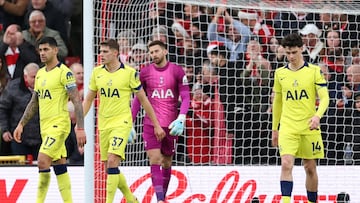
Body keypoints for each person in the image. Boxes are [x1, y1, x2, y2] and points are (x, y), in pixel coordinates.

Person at [82, 39, 165, 203]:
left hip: (122, 123)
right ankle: (130, 198)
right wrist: (79, 123)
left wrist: (156, 124)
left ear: (115, 53)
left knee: (112, 160)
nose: (102, 55)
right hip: (104, 125)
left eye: (105, 52)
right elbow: (88, 100)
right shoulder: (97, 72)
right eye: (101, 51)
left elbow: (144, 100)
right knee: (110, 167)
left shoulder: (129, 73)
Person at [12, 37, 86, 203]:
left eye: (46, 49)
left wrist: (80, 128)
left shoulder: (64, 73)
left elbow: (76, 101)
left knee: (43, 161)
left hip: (59, 125)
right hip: (45, 127)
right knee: (60, 165)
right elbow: (34, 101)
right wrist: (21, 124)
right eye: (40, 50)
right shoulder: (40, 74)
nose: (42, 53)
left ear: (55, 50)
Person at [271, 33, 329, 203]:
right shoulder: (280, 73)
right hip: (288, 126)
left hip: (309, 126)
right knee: (286, 163)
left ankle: (312, 201)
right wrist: (275, 128)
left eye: (294, 52)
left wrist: (317, 116)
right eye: (288, 53)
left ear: (302, 49)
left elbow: (325, 97)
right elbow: (278, 102)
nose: (291, 56)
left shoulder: (314, 71)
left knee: (310, 168)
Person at [131, 40, 190, 203]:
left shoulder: (177, 71)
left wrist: (182, 117)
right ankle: (159, 199)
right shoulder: (145, 73)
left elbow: (185, 96)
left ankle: (162, 196)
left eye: (156, 51)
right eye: (151, 52)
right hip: (151, 123)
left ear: (165, 51)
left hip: (171, 125)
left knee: (166, 161)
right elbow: (138, 99)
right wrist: (130, 121)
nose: (153, 55)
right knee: (154, 159)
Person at [0, 63, 41, 159]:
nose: (36, 80)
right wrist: (5, 130)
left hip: (41, 137)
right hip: (19, 137)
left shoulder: (47, 88)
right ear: (25, 77)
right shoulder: (12, 88)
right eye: (33, 77)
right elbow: (2, 109)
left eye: (38, 77)